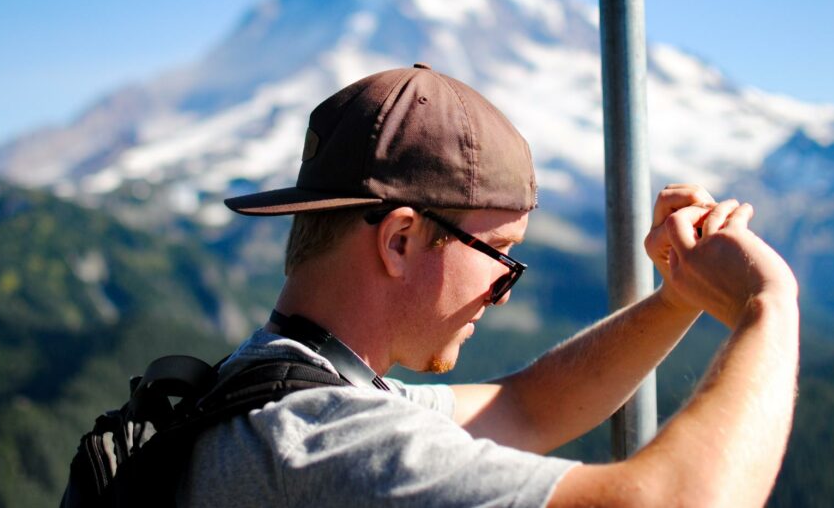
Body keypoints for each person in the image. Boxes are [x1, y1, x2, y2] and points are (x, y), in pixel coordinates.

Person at [179, 63, 799, 507]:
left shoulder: (273, 385)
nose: (504, 289)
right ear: (400, 241)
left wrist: (679, 295)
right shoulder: (321, 442)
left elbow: (526, 407)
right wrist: (770, 304)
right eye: (499, 252)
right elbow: (678, 499)